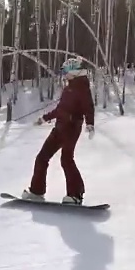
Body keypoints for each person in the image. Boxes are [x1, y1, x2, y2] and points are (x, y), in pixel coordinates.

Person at [21, 57, 95, 205]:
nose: (65, 74)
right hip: (60, 127)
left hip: (72, 127)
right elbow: (60, 109)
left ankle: (76, 195)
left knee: (66, 160)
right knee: (42, 157)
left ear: (74, 71)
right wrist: (44, 118)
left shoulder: (82, 86)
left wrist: (90, 124)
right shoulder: (69, 87)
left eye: (67, 71)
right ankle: (37, 191)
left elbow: (88, 106)